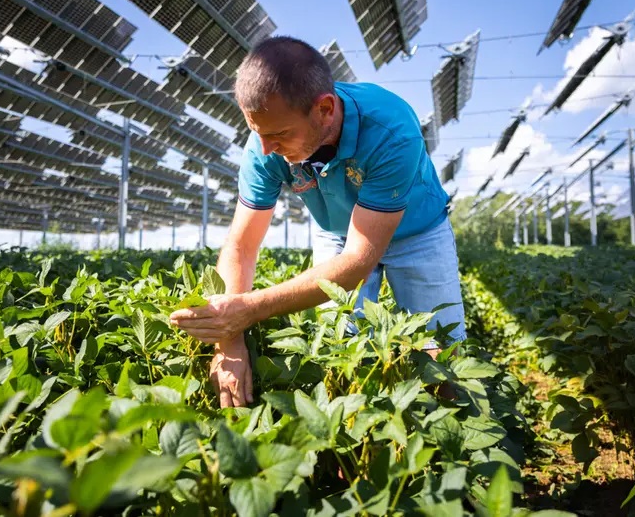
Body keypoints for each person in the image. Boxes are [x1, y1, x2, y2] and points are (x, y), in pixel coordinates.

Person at [169, 36, 466, 408]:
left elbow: (360, 259)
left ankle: (452, 445)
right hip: (339, 233)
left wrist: (249, 309)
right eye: (258, 133)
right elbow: (241, 247)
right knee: (336, 348)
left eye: (278, 135)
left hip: (418, 232)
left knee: (441, 354)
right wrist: (229, 342)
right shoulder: (265, 144)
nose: (266, 149)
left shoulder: (390, 129)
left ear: (325, 109)